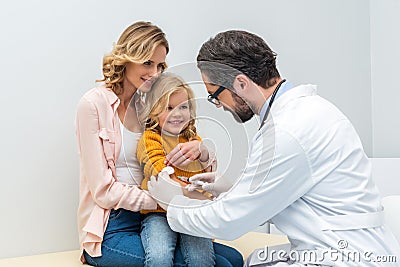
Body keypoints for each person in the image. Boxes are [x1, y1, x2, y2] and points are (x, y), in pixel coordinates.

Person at [148, 30, 400, 266]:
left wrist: (173, 203)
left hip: (345, 254)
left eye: (215, 95)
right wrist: (231, 189)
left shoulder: (287, 131)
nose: (217, 104)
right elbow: (281, 193)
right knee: (257, 257)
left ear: (241, 83)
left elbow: (229, 222)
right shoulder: (307, 111)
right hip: (344, 243)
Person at [75, 21, 242, 267]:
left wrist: (203, 151)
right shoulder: (93, 105)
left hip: (159, 216)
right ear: (127, 58)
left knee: (234, 259)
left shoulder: (150, 105)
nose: (155, 73)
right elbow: (103, 191)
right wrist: (166, 199)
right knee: (224, 265)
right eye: (147, 63)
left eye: (160, 65)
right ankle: (94, 254)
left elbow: (186, 150)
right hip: (114, 225)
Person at [137, 72, 216, 266]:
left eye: (183, 107)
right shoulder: (150, 139)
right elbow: (159, 173)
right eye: (169, 108)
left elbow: (209, 173)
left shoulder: (193, 140)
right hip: (158, 213)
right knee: (159, 256)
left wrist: (204, 150)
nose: (178, 114)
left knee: (202, 259)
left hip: (191, 213)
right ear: (153, 112)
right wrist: (196, 195)